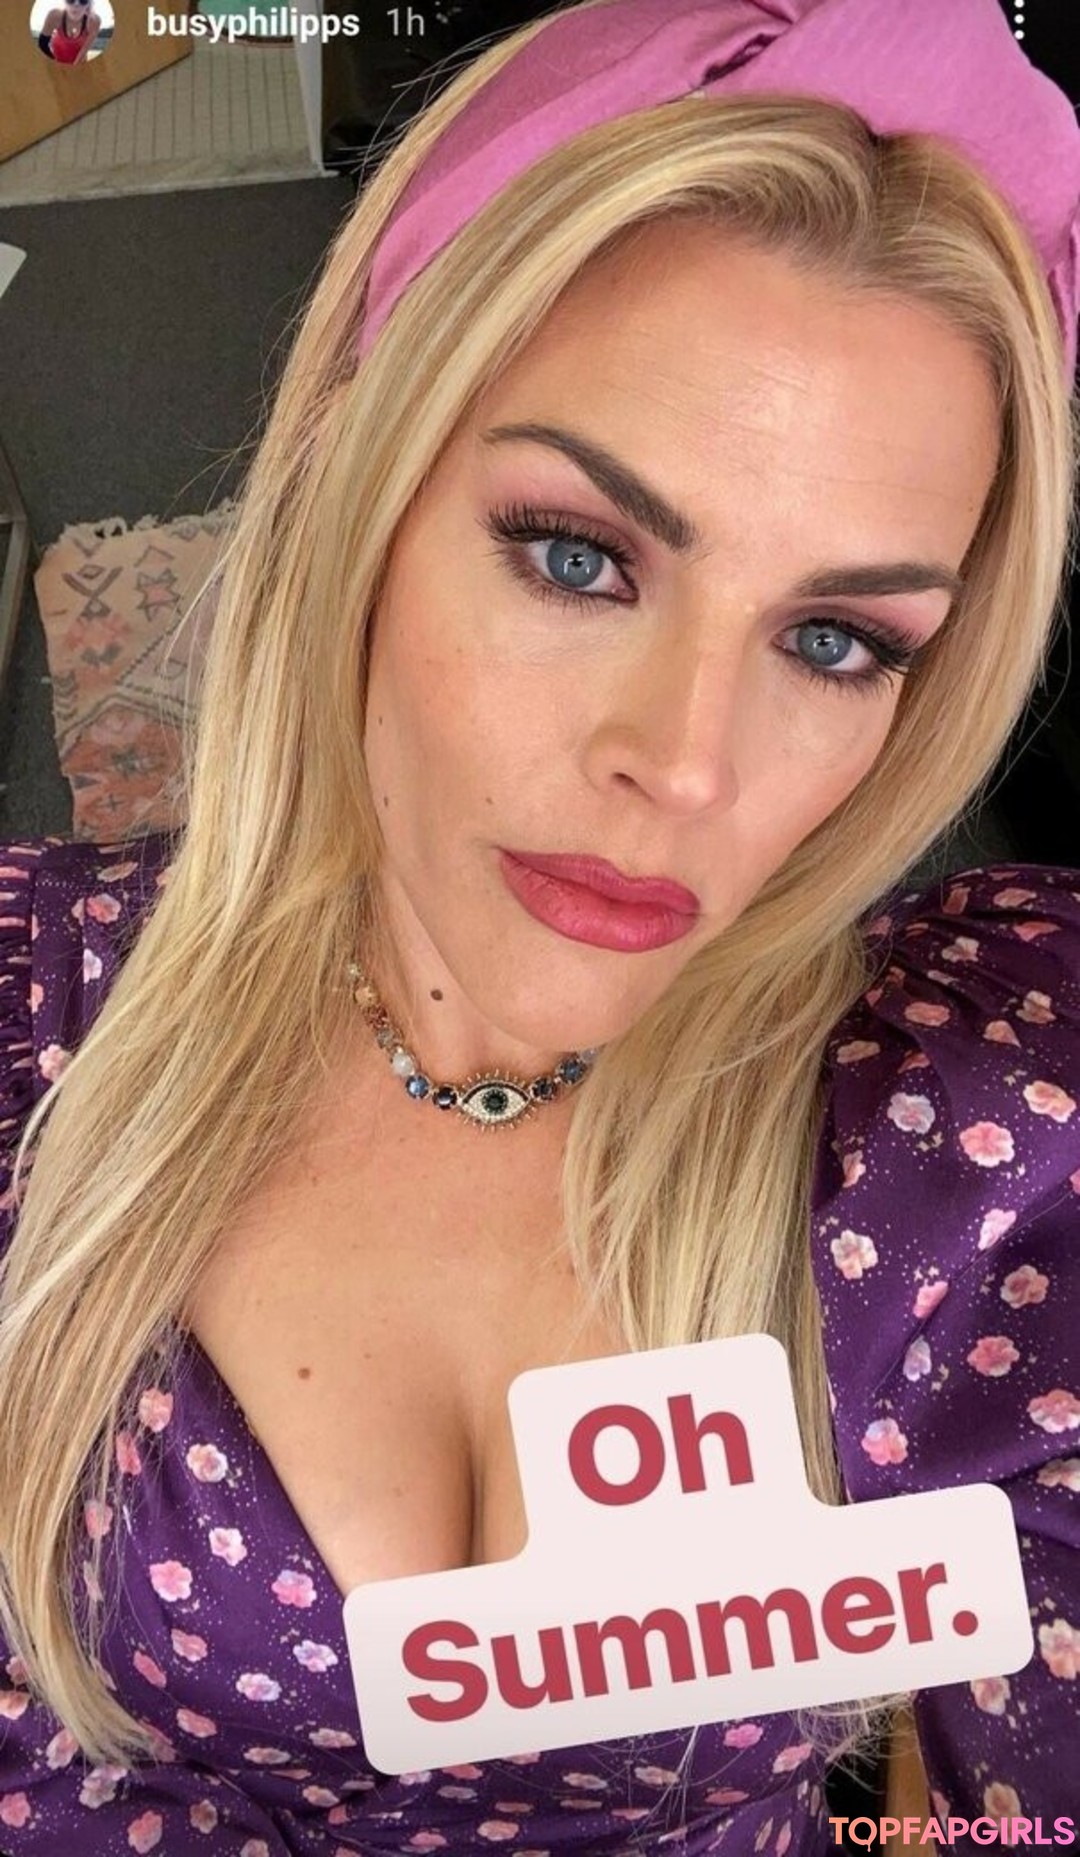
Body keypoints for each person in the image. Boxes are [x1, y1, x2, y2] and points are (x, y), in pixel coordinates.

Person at [2, 0, 1079, 1849]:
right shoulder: (35, 1018)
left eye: (836, 641)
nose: (685, 762)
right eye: (579, 556)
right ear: (359, 476)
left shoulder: (982, 1122)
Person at [37, 0, 101, 66]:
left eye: (83, 0)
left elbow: (82, 54)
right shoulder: (55, 16)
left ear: (88, 4)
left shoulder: (93, 21)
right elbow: (42, 44)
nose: (76, 4)